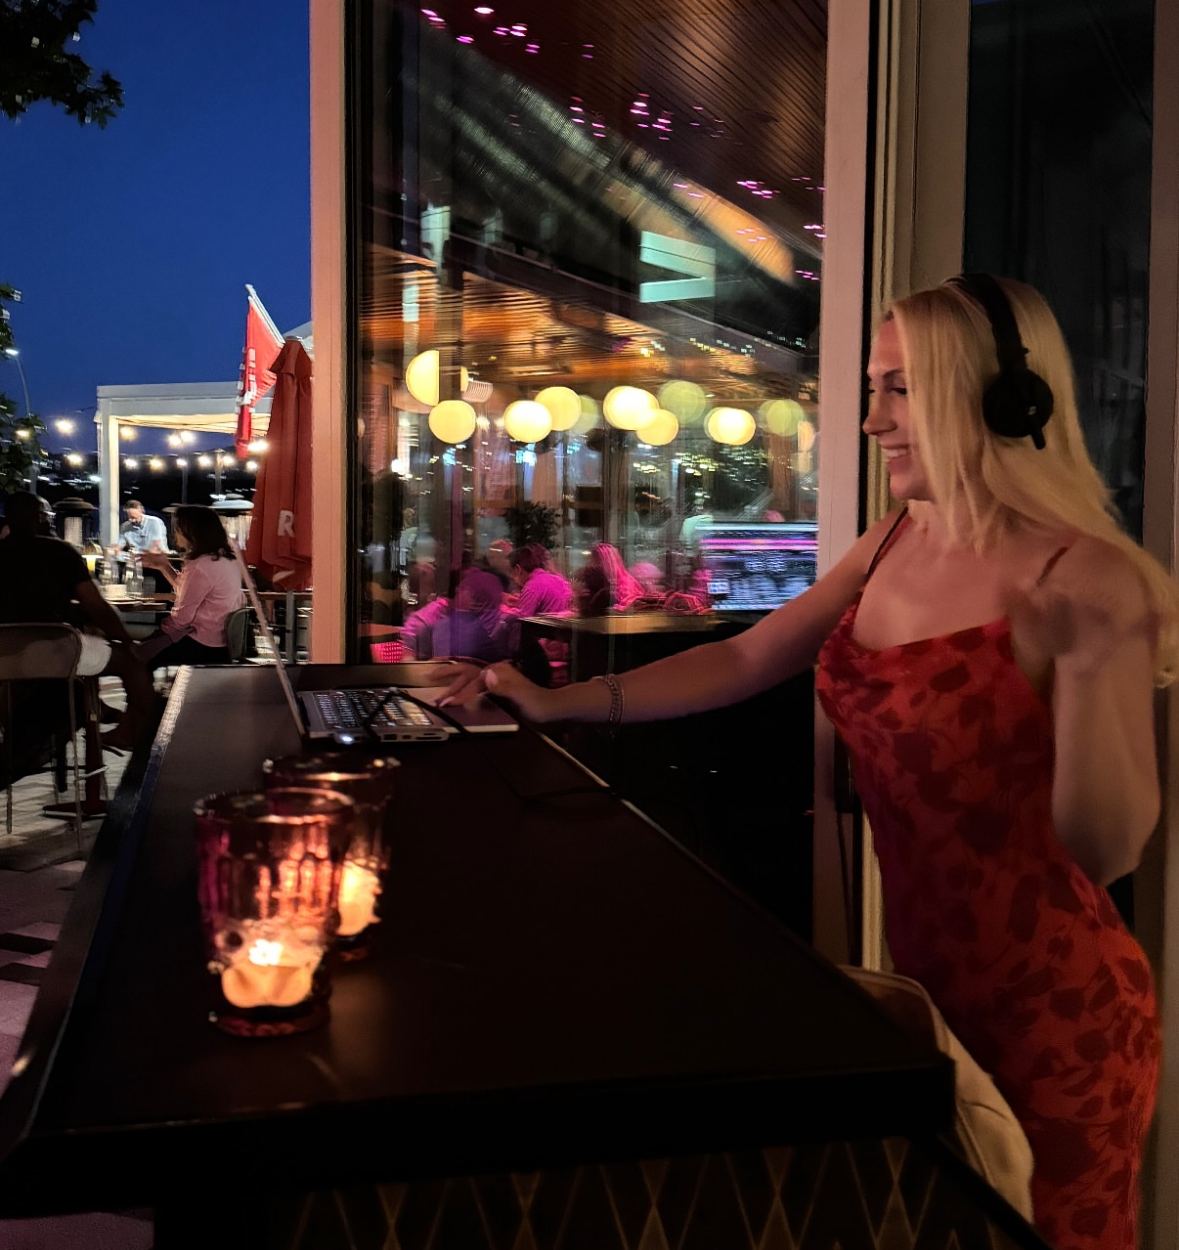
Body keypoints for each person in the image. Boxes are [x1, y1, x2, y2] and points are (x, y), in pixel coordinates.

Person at [443, 276, 1177, 1250]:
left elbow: (1110, 848)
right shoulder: (894, 539)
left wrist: (1087, 664)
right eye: (873, 389)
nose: (873, 420)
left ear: (1002, 396)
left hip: (1056, 1018)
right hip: (924, 993)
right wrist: (555, 701)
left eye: (901, 388)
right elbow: (747, 656)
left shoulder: (1080, 573)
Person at [0, 491, 162, 751]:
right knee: (132, 661)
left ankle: (94, 707)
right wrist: (125, 640)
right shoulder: (59, 552)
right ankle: (147, 731)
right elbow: (97, 606)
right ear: (40, 517)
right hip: (56, 652)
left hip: (5, 657)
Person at [135, 506, 242, 670]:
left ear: (192, 532)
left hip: (201, 644)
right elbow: (190, 590)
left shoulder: (200, 566)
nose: (174, 533)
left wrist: (155, 635)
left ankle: (146, 696)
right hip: (222, 643)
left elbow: (181, 620)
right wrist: (164, 566)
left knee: (136, 658)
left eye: (178, 528)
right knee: (144, 650)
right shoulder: (226, 559)